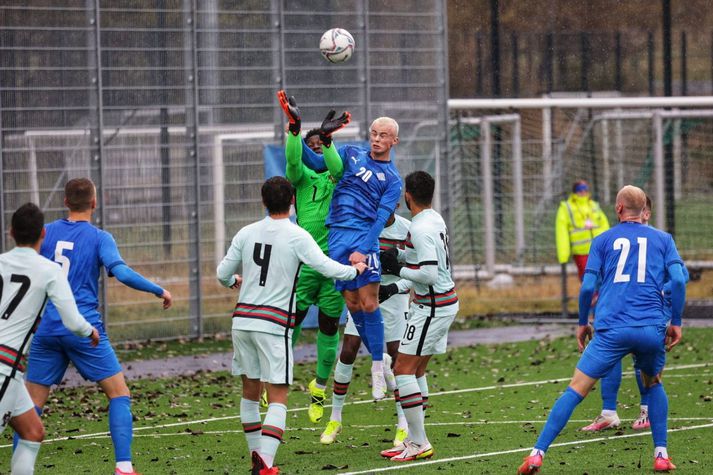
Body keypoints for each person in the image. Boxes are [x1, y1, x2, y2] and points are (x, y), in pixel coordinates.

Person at [518, 185, 686, 474]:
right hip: (649, 329)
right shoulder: (663, 239)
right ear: (644, 209)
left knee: (576, 389)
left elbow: (586, 287)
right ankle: (660, 455)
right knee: (653, 383)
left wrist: (583, 322)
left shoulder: (602, 240)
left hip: (612, 328)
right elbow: (680, 281)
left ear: (618, 209)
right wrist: (676, 321)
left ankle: (537, 454)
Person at [216, 176, 367, 475]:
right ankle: (267, 463)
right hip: (272, 324)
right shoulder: (297, 235)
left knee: (249, 391)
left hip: (243, 321)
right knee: (279, 395)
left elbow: (222, 273)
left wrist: (234, 281)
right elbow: (325, 266)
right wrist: (355, 270)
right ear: (293, 202)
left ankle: (256, 456)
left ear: (262, 201)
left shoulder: (246, 232)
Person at [21, 178, 173, 475]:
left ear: (65, 202)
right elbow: (122, 273)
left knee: (30, 409)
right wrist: (158, 290)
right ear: (94, 202)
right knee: (119, 394)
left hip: (47, 331)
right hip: (84, 331)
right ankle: (124, 468)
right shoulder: (100, 237)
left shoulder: (46, 233)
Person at [1, 203, 99, 475]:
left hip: (12, 374)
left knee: (33, 432)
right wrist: (89, 330)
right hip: (3, 367)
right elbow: (71, 320)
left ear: (11, 232)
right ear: (43, 233)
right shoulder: (49, 270)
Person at [581, 195, 689, 433]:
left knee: (644, 360)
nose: (643, 216)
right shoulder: (618, 241)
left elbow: (682, 276)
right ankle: (609, 412)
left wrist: (662, 292)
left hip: (652, 312)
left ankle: (647, 410)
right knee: (611, 356)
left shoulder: (659, 241)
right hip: (619, 311)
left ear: (647, 214)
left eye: (647, 213)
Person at [277, 90, 351, 424]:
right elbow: (292, 161)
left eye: (321, 145)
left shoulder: (339, 177)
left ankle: (319, 388)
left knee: (328, 327)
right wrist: (295, 130)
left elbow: (335, 165)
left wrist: (328, 138)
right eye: (313, 146)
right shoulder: (302, 178)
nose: (318, 150)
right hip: (305, 262)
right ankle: (280, 376)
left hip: (334, 263)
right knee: (292, 320)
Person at [321, 111, 403, 400]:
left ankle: (377, 369)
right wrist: (324, 139)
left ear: (394, 140)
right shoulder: (352, 153)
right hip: (337, 237)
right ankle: (383, 364)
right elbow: (318, 162)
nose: (377, 139)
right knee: (353, 306)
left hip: (362, 240)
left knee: (370, 304)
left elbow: (381, 220)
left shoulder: (392, 179)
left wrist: (364, 249)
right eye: (373, 133)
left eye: (383, 135)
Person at [378, 171, 459, 462]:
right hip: (438, 302)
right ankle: (414, 439)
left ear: (406, 196)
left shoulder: (420, 227)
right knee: (416, 370)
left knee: (402, 369)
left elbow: (428, 272)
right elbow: (420, 260)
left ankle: (419, 442)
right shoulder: (432, 219)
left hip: (432, 306)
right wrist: (396, 259)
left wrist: (398, 272)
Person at [319, 210, 411, 446]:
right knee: (348, 348)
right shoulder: (363, 226)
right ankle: (335, 418)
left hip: (394, 296)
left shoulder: (407, 228)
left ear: (396, 203)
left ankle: (403, 422)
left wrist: (394, 286)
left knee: (396, 355)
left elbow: (420, 270)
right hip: (366, 295)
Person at [556, 180, 610, 280]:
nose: (583, 192)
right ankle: (592, 295)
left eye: (585, 189)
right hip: (581, 251)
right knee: (588, 280)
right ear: (574, 192)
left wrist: (608, 245)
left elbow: (604, 225)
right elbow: (561, 232)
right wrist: (563, 255)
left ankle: (598, 295)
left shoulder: (594, 205)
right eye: (580, 190)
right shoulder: (566, 208)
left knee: (602, 278)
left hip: (598, 249)